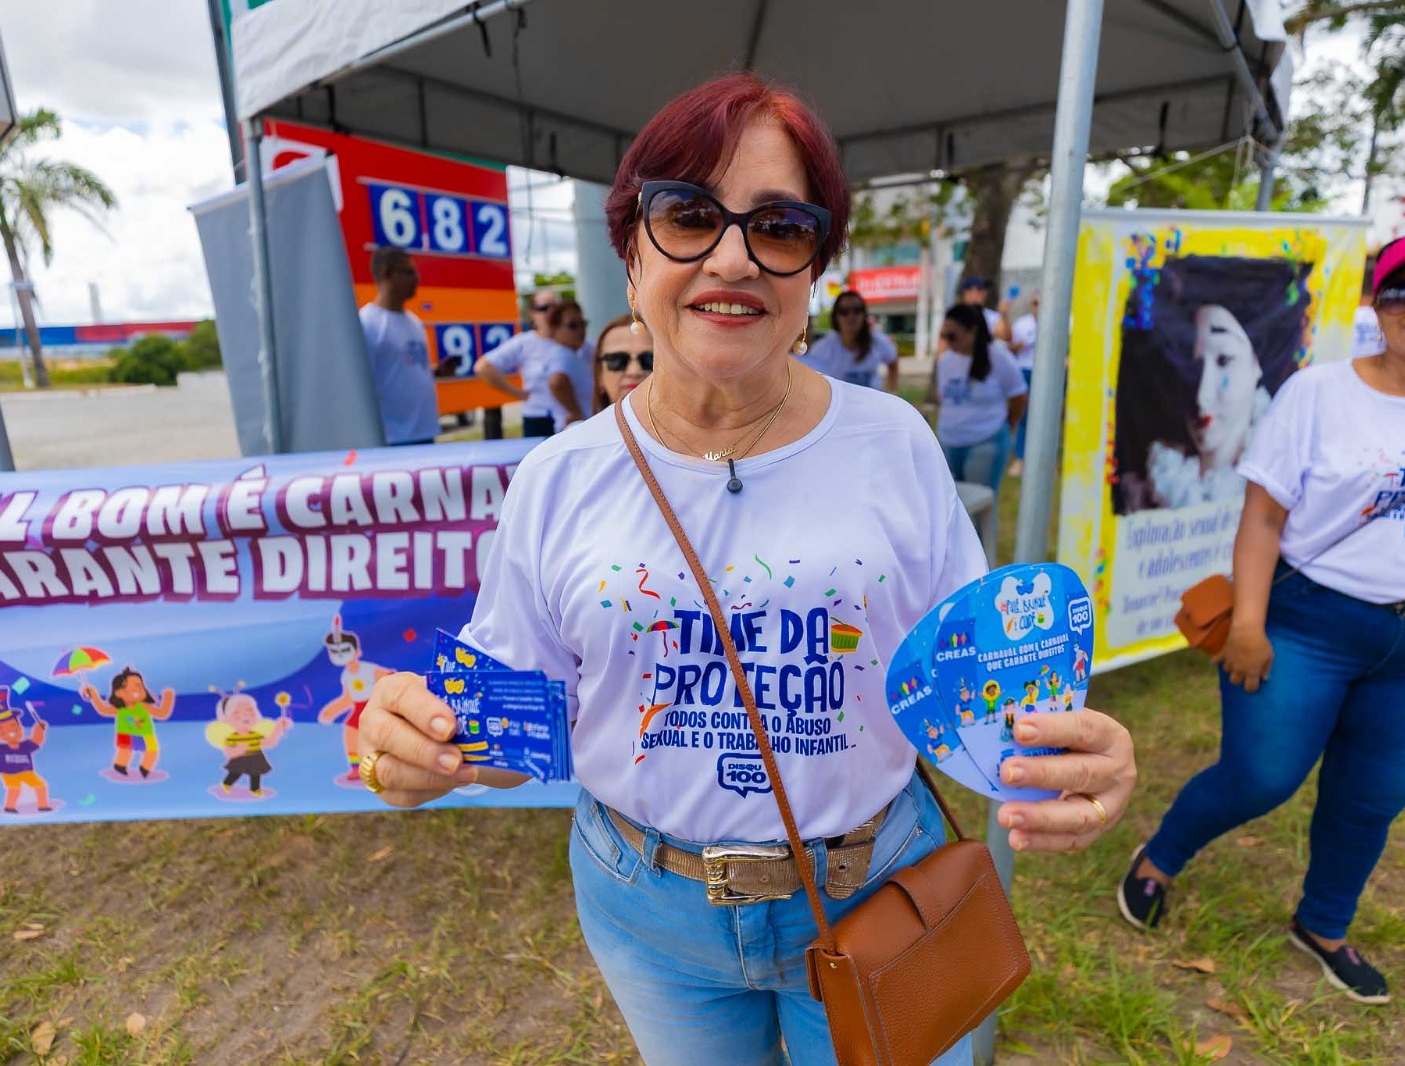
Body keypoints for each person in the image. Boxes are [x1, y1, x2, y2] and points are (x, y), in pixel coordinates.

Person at [355, 73, 1136, 1066]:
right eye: (687, 213)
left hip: (876, 886)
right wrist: (422, 749)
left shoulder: (895, 443)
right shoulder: (556, 478)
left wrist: (1072, 760)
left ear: (812, 265)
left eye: (778, 225)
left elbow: (969, 691)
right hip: (648, 908)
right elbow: (513, 729)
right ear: (631, 250)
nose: (731, 255)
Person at [1119, 224, 1405, 1007]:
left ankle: (1323, 924)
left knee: (1371, 796)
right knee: (1260, 776)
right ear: (1377, 303)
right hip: (1311, 621)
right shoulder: (1318, 393)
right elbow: (1261, 519)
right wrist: (1248, 625)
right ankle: (1161, 856)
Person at [1141, 304, 1270, 509]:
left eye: (1223, 360)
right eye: (1191, 367)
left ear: (1256, 363)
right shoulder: (1152, 486)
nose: (1202, 395)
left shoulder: (1276, 476)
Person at [928, 303, 1028, 498]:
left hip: (985, 442)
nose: (947, 342)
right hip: (949, 442)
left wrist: (1009, 424)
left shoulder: (999, 358)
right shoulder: (946, 361)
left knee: (980, 505)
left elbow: (1019, 396)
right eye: (943, 336)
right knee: (949, 504)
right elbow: (945, 399)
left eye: (952, 336)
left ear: (972, 331)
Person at [359, 247, 441, 446]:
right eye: (409, 272)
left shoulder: (414, 321)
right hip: (394, 439)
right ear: (387, 273)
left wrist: (436, 372)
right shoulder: (367, 323)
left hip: (424, 432)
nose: (417, 279)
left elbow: (404, 369)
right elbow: (361, 385)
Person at [475, 288, 568, 437]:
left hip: (568, 418)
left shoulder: (571, 340)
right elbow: (483, 367)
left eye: (555, 307)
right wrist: (517, 393)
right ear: (533, 314)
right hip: (538, 417)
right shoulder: (524, 342)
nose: (550, 313)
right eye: (543, 308)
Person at [803, 289, 899, 391]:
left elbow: (893, 361)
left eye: (857, 310)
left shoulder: (877, 341)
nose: (851, 316)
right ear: (836, 317)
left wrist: (892, 391)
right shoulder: (823, 348)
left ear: (864, 314)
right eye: (844, 311)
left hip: (872, 404)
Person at [545, 300, 595, 430]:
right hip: (575, 427)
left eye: (583, 324)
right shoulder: (562, 354)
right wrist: (575, 413)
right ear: (555, 329)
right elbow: (556, 382)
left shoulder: (575, 353)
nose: (581, 330)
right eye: (573, 326)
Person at [591, 313, 654, 410]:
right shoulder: (584, 426)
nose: (634, 371)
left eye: (648, 359)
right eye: (618, 360)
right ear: (599, 374)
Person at [1007, 292, 1039, 476]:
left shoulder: (1062, 320)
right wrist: (1017, 346)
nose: (1038, 307)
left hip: (1051, 372)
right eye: (1035, 303)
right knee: (1025, 417)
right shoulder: (1022, 324)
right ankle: (1020, 458)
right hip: (1025, 371)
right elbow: (1011, 349)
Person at [958, 276, 1012, 343]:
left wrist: (1003, 314)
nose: (984, 293)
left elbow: (1006, 337)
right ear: (966, 292)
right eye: (979, 289)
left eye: (985, 290)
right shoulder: (955, 315)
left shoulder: (991, 315)